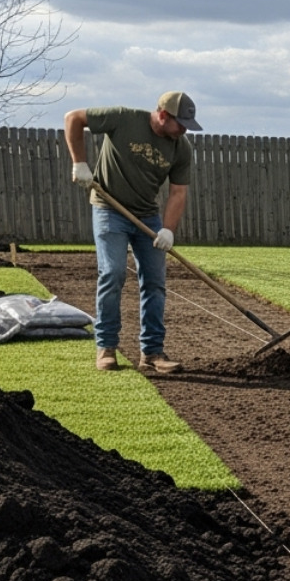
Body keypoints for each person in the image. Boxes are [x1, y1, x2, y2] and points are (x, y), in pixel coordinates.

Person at [64, 91, 200, 374]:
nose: (185, 129)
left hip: (146, 216)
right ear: (163, 115)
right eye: (181, 123)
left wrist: (167, 230)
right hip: (109, 208)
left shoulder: (180, 147)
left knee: (154, 281)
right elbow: (73, 118)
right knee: (112, 273)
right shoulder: (124, 119)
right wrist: (79, 162)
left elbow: (178, 193)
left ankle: (152, 353)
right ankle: (106, 347)